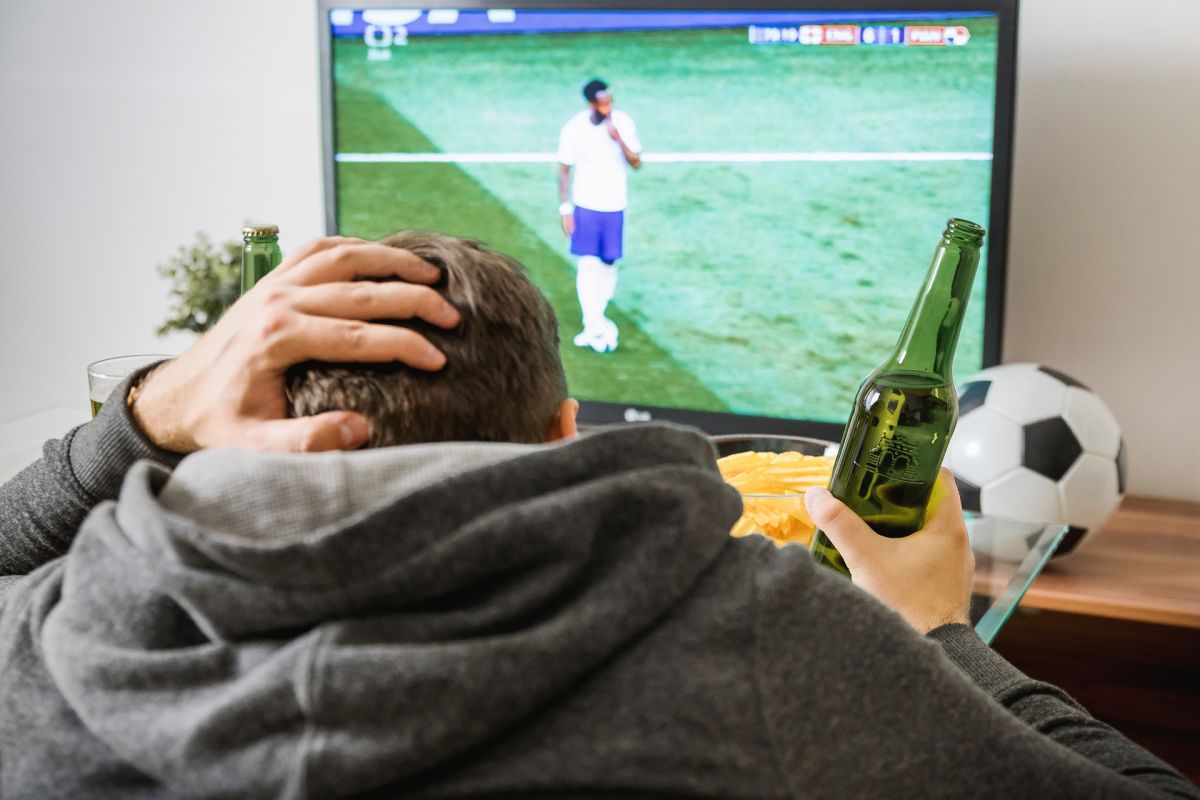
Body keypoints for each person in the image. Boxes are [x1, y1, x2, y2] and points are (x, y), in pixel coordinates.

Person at [0, 233, 1195, 799]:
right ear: (567, 433)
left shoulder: (55, 637)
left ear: (236, 426)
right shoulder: (774, 644)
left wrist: (143, 419)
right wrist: (933, 634)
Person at [558, 77, 641, 354]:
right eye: (603, 101)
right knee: (588, 263)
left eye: (610, 100)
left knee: (609, 262)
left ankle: (597, 315)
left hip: (615, 204)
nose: (608, 105)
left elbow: (636, 162)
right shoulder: (574, 128)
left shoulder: (624, 123)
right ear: (591, 103)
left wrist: (619, 139)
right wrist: (566, 209)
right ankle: (592, 323)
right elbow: (564, 169)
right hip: (586, 205)